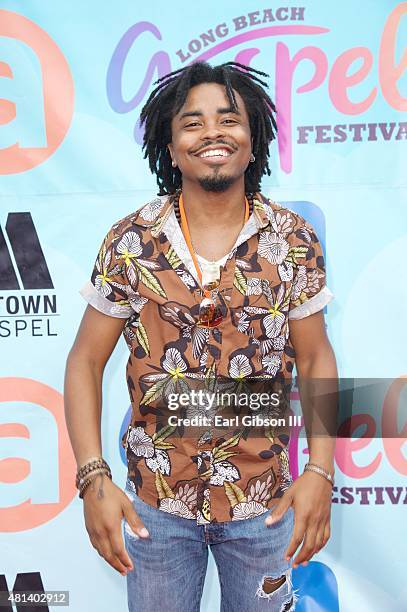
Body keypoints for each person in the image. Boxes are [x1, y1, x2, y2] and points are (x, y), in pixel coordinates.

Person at [64, 60, 338, 612]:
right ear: (170, 146)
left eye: (228, 119)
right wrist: (93, 477)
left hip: (265, 504)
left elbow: (315, 360)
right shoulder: (132, 241)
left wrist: (320, 472)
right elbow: (84, 362)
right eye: (192, 122)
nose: (212, 132)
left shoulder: (293, 240)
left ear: (253, 141)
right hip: (156, 509)